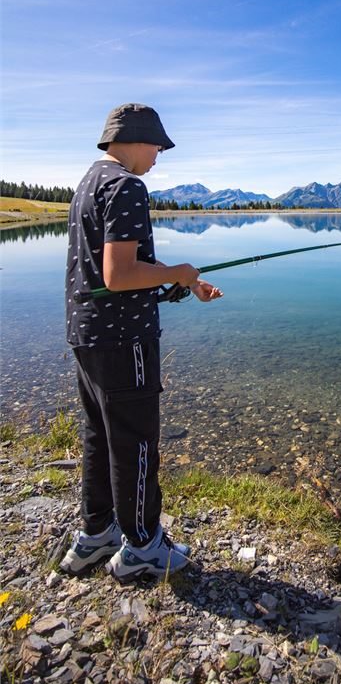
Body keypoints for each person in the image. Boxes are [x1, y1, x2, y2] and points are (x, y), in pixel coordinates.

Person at [59, 103, 222, 581]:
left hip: (88, 334)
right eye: (158, 146)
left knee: (99, 436)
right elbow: (118, 272)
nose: (158, 157)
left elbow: (109, 277)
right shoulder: (128, 186)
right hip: (124, 341)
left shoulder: (88, 183)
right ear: (135, 139)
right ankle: (143, 545)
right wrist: (181, 270)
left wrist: (177, 286)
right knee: (136, 440)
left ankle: (97, 533)